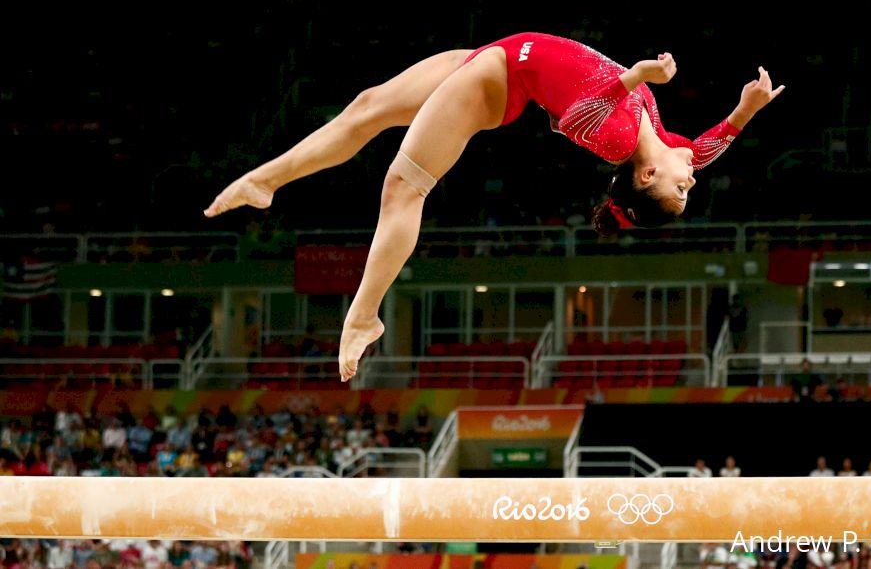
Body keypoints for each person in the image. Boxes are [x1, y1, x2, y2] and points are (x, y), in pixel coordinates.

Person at [205, 33, 785, 381]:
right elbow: (704, 152)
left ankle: (363, 314)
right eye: (689, 190)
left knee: (403, 186)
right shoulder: (659, 140)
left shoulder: (617, 138)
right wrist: (745, 112)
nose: (693, 180)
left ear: (649, 176)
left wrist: (637, 75)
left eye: (680, 191)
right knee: (368, 106)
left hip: (494, 82)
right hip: (501, 54)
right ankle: (265, 180)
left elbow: (578, 116)